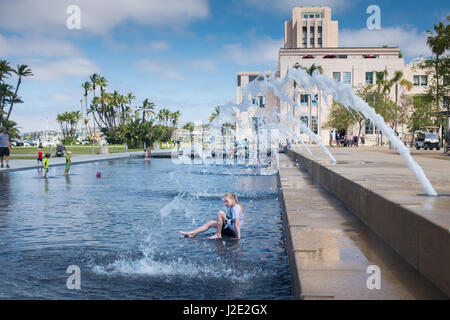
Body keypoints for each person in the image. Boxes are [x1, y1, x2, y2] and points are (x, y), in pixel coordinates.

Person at [179, 192, 244, 239]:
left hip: (233, 232)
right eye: (224, 201)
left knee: (220, 213)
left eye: (226, 201)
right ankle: (192, 233)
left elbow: (237, 224)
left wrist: (238, 237)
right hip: (231, 228)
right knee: (211, 222)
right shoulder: (233, 206)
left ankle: (218, 234)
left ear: (232, 200)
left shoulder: (235, 208)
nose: (225, 203)